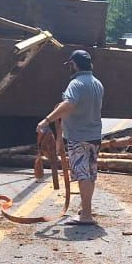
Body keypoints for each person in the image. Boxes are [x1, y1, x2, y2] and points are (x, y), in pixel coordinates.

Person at [37, 49, 104, 225]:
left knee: (82, 175)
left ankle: (86, 215)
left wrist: (46, 120)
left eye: (70, 65)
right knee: (90, 174)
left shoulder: (76, 84)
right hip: (94, 136)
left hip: (79, 137)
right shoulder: (97, 83)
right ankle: (85, 209)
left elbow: (69, 104)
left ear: (74, 65)